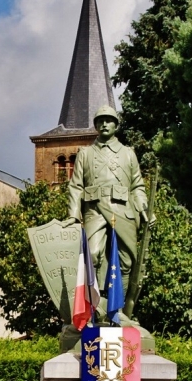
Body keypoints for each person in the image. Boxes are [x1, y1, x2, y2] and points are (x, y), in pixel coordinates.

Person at [65, 105, 151, 321]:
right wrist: (73, 215)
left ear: (116, 125)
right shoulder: (85, 154)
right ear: (95, 125)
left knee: (126, 262)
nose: (104, 124)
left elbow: (137, 186)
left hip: (123, 210)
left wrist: (143, 207)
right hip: (94, 209)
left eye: (109, 120)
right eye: (100, 120)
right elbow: (75, 186)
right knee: (92, 254)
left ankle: (118, 310)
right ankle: (95, 307)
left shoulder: (128, 154)